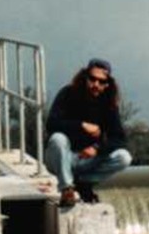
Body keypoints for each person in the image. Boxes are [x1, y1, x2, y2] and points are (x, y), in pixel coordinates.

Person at [44, 58, 132, 206]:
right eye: (92, 79)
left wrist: (96, 149)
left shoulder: (108, 104)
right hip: (61, 158)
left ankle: (83, 183)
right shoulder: (67, 93)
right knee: (58, 138)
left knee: (124, 157)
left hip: (86, 160)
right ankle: (66, 189)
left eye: (101, 81)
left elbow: (119, 138)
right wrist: (82, 125)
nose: (96, 85)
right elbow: (51, 124)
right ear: (85, 78)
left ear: (107, 85)